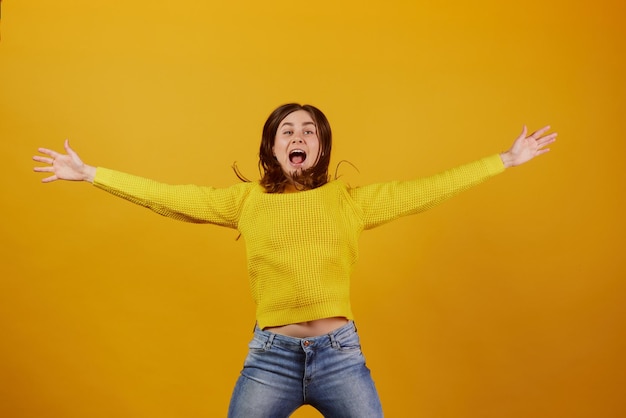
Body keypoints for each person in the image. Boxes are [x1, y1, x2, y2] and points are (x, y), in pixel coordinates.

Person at [33, 103, 557, 417]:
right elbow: (170, 196)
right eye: (288, 130)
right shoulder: (245, 203)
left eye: (309, 130)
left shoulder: (348, 202)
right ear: (272, 147)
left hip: (340, 358)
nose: (299, 136)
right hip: (270, 360)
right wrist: (93, 174)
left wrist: (505, 160)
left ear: (322, 147)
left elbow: (425, 189)